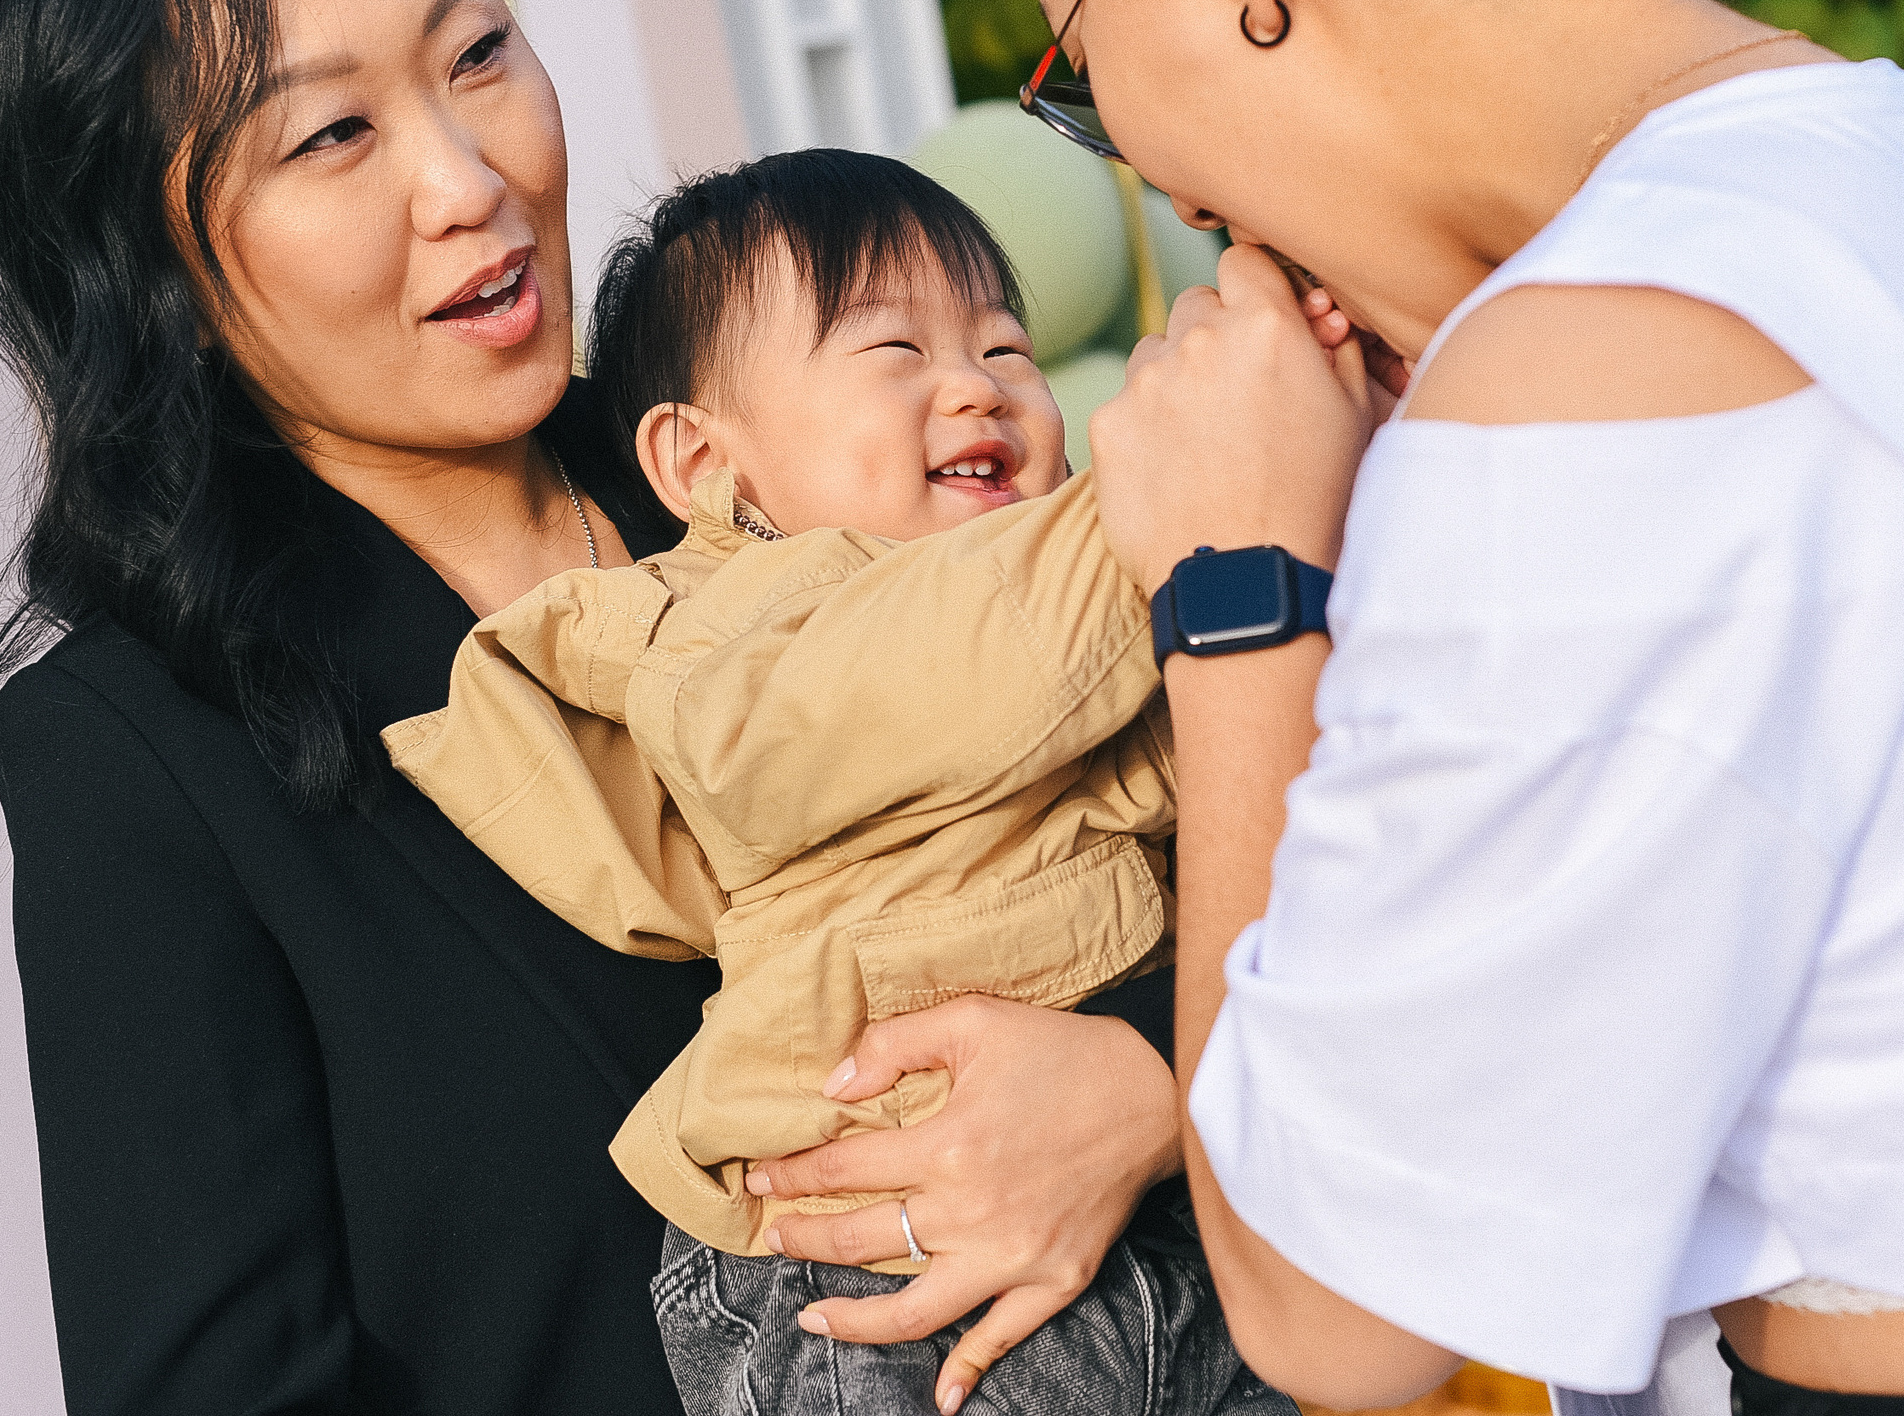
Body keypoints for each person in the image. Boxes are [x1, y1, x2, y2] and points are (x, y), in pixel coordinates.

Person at [889, 0, 1904, 1412]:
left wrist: (1238, 589)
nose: (1173, 191)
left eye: (1085, 77)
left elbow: (1336, 1310)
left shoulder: (1600, 370)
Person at [0, 0, 1184, 1415]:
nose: (468, 176)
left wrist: (1150, 1081)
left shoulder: (786, 457)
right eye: (332, 132)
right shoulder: (139, 753)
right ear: (151, 258)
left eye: (479, 51)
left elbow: (1196, 809)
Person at [389, 147, 1284, 1416]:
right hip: (861, 1275)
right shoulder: (724, 636)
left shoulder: (1087, 621)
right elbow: (947, 675)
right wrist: (1170, 489)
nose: (978, 387)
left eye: (1006, 348)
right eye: (896, 354)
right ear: (708, 469)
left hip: (1149, 1238)